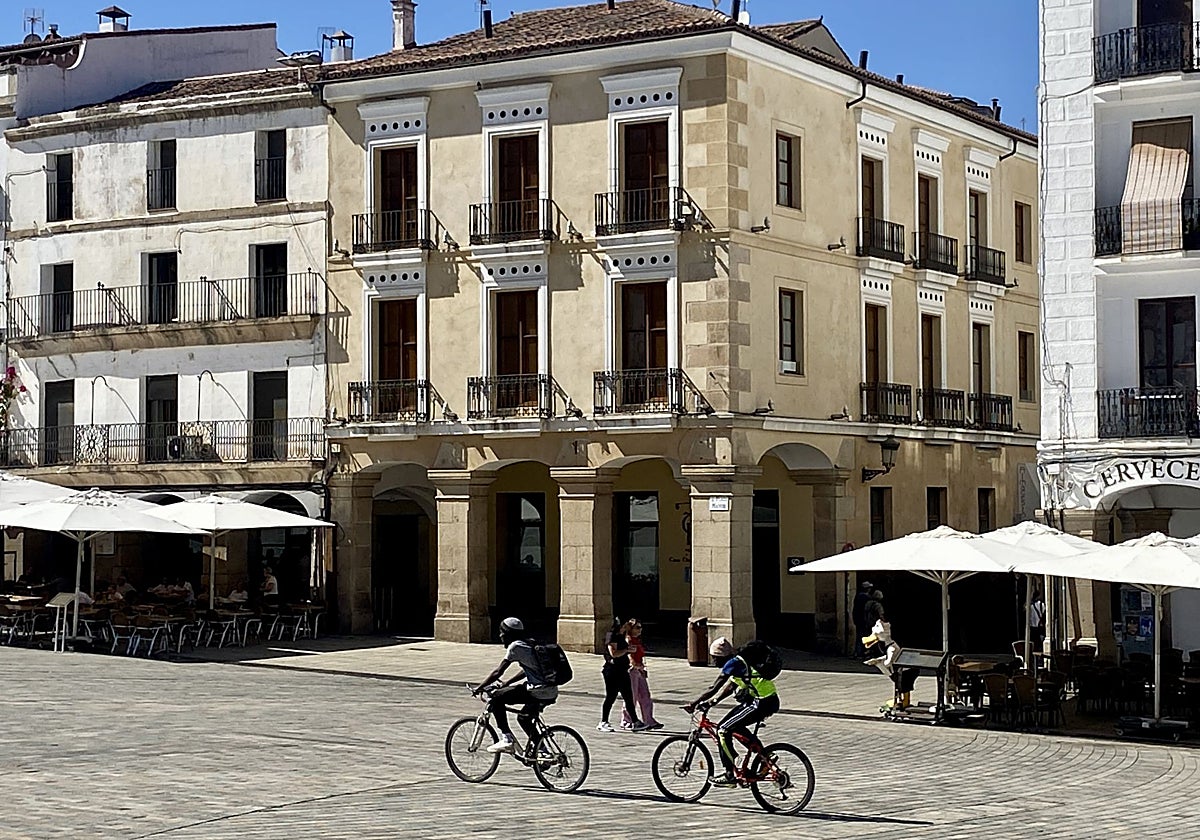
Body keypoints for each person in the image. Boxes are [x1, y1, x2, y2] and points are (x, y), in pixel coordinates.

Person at [683, 639, 781, 787]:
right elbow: (731, 686)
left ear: (720, 656)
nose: (713, 661)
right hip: (764, 700)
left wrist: (694, 703)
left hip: (761, 702)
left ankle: (730, 774)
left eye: (714, 658)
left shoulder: (733, 664)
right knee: (733, 725)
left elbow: (714, 687)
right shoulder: (739, 662)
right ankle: (765, 756)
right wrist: (713, 702)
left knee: (723, 729)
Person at [473, 617, 557, 756]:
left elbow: (498, 672)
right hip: (550, 691)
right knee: (524, 718)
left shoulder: (516, 647)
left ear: (508, 634)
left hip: (537, 691)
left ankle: (507, 739)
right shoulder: (529, 643)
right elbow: (527, 670)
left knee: (496, 698)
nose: (500, 636)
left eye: (502, 632)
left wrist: (480, 687)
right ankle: (542, 751)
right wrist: (507, 683)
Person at [598, 617, 645, 732]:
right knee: (611, 696)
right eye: (627, 624)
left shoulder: (622, 636)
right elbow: (613, 653)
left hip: (623, 670)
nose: (629, 626)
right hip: (612, 671)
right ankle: (603, 722)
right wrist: (627, 650)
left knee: (628, 697)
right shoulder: (612, 635)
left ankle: (635, 722)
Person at [620, 619, 662, 731]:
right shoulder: (628, 640)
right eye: (637, 627)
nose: (640, 630)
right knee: (631, 697)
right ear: (631, 629)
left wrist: (642, 669)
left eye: (641, 627)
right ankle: (627, 721)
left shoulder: (637, 640)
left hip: (639, 670)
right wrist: (635, 665)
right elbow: (629, 655)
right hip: (631, 670)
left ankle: (649, 720)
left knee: (645, 696)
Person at [852, 580, 874, 657]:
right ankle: (864, 652)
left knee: (859, 636)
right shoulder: (867, 598)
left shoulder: (858, 596)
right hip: (864, 620)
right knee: (866, 636)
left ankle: (857, 652)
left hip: (858, 619)